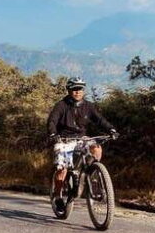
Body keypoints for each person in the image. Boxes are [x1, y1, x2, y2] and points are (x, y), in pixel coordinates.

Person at [47, 77, 118, 212]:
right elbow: (52, 121)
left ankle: (93, 173)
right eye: (74, 89)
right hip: (64, 139)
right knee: (62, 168)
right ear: (69, 90)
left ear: (83, 91)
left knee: (96, 148)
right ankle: (57, 196)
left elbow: (100, 120)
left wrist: (111, 129)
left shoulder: (88, 106)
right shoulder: (61, 105)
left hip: (81, 139)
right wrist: (52, 134)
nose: (77, 92)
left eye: (80, 89)